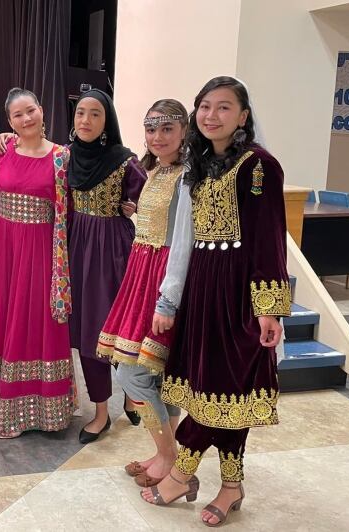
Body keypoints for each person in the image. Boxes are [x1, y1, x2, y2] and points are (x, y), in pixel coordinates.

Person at [140, 77, 289, 528]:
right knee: (214, 392)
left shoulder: (258, 165)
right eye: (205, 106)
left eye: (224, 108)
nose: (211, 116)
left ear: (243, 116)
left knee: (227, 389)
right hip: (203, 289)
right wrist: (174, 297)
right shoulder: (202, 165)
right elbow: (185, 239)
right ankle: (231, 484)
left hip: (239, 294)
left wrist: (268, 305)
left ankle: (184, 472)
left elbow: (268, 239)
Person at [97, 99, 188, 482]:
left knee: (135, 375)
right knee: (151, 375)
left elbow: (182, 238)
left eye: (167, 128)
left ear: (184, 131)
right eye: (151, 129)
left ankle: (169, 457)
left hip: (163, 279)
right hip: (141, 274)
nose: (157, 137)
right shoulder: (157, 170)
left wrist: (169, 297)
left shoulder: (187, 176)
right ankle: (163, 452)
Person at [0, 87, 74, 439]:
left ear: (42, 110)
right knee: (6, 318)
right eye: (17, 115)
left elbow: (69, 212)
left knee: (34, 321)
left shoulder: (62, 157)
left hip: (40, 253)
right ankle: (0, 403)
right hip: (5, 250)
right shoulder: (3, 152)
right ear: (9, 122)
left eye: (30, 110)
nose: (26, 119)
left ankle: (43, 410)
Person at [64, 89, 146, 443]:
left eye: (95, 114)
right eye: (80, 113)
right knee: (86, 332)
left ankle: (131, 394)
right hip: (77, 248)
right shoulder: (64, 157)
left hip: (114, 252)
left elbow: (154, 198)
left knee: (118, 329)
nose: (85, 120)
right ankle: (100, 412)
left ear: (107, 120)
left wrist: (134, 206)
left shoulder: (124, 160)